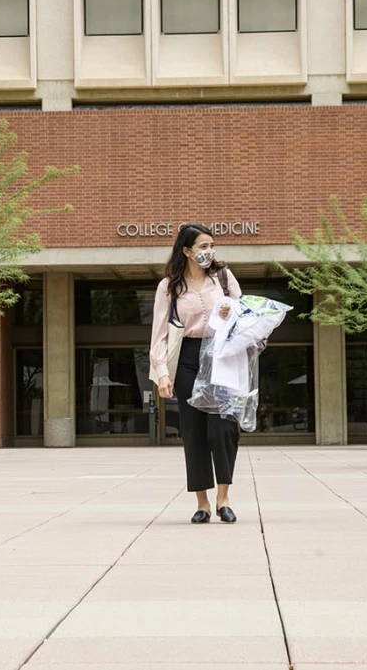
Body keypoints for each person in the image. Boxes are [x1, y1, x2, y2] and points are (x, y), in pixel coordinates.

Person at [150, 224, 242, 524]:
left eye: (211, 245)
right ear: (187, 251)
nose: (209, 251)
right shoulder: (169, 286)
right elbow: (160, 333)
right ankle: (202, 502)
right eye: (202, 246)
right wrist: (162, 373)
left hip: (222, 357)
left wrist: (231, 315)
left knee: (224, 427)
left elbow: (244, 318)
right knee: (194, 431)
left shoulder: (224, 279)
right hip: (188, 359)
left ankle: (223, 498)